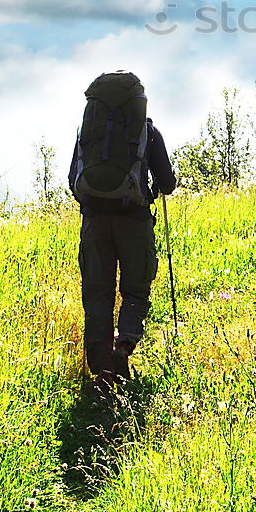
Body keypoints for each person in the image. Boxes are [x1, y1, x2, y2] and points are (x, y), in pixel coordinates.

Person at [68, 70, 176, 383]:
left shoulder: (86, 131)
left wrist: (94, 208)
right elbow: (166, 185)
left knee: (97, 295)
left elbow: (73, 181)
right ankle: (124, 345)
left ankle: (102, 373)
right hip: (134, 221)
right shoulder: (148, 131)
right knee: (136, 290)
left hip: (94, 222)